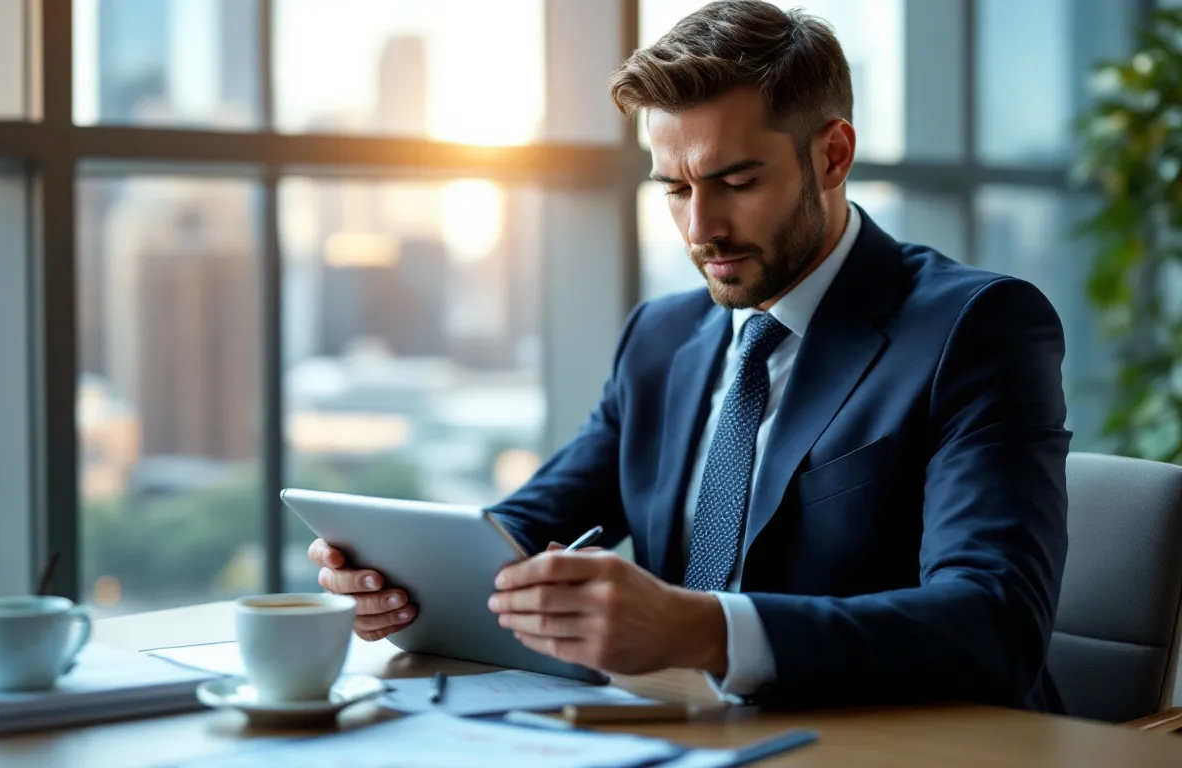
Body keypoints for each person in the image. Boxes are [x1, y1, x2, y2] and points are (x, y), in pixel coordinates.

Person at [309, 0, 1070, 711]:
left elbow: (995, 624)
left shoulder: (976, 328)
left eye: (735, 181)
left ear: (832, 155)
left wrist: (705, 630)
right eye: (673, 188)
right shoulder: (661, 339)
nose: (701, 227)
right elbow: (527, 526)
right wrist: (399, 575)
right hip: (685, 733)